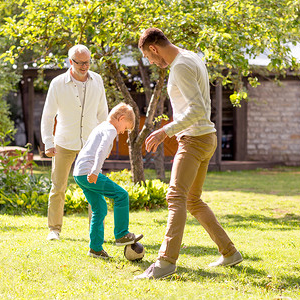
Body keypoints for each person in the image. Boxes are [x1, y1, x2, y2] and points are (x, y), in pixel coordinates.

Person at [135, 28, 243, 279]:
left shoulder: (180, 66)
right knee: (192, 200)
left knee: (175, 197)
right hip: (206, 138)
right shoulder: (192, 56)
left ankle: (165, 262)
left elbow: (197, 110)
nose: (151, 62)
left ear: (153, 48)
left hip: (194, 139)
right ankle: (230, 253)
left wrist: (165, 131)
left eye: (149, 57)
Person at [41, 45, 108, 241]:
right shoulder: (57, 83)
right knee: (58, 187)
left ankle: (96, 231)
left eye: (87, 62)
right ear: (71, 62)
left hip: (91, 143)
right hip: (63, 143)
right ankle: (54, 229)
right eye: (80, 63)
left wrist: (106, 141)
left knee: (95, 187)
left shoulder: (98, 81)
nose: (85, 66)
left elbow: (103, 113)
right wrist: (48, 142)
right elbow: (47, 116)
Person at [73, 103, 143, 259]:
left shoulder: (101, 127)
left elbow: (90, 148)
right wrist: (95, 171)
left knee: (99, 209)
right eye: (125, 127)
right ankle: (122, 234)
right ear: (121, 118)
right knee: (121, 195)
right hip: (89, 172)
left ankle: (95, 249)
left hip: (79, 173)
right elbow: (101, 148)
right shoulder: (111, 129)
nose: (123, 132)